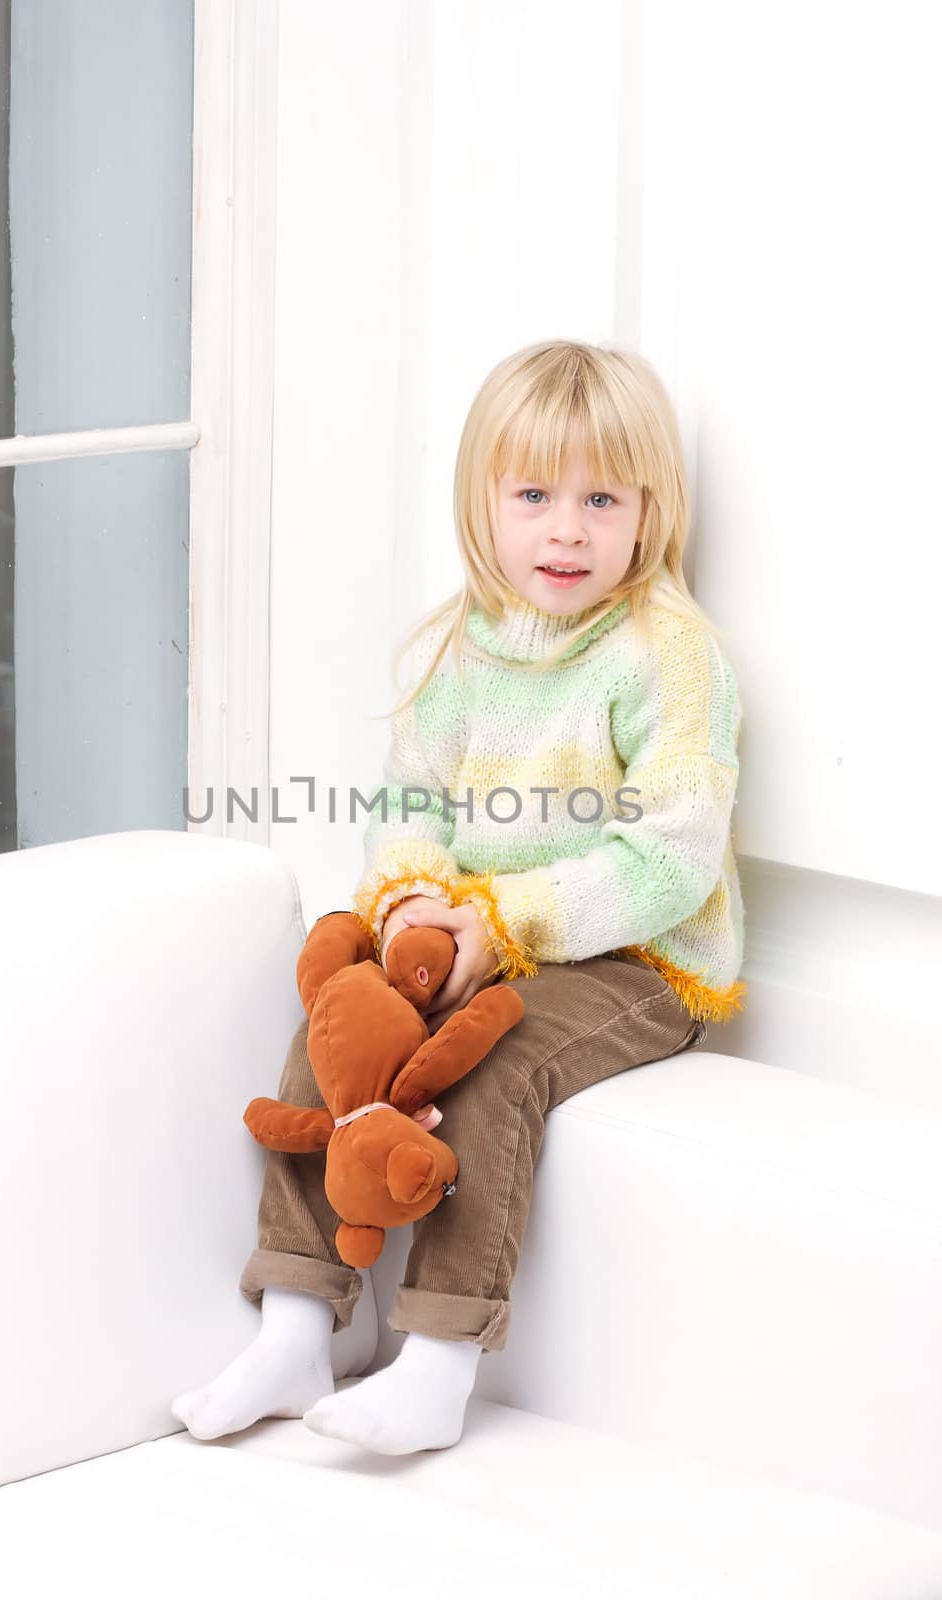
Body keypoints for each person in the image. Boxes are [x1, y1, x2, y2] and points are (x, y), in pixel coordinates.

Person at [172, 338, 746, 1456]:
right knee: (336, 1026)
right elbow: (412, 811)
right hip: (471, 935)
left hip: (634, 958)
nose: (565, 528)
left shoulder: (664, 655)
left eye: (599, 497)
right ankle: (295, 1321)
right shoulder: (462, 647)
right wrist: (405, 914)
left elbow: (670, 856)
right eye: (532, 494)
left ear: (648, 508)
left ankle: (437, 1357)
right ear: (482, 504)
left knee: (496, 1066)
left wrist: (504, 926)